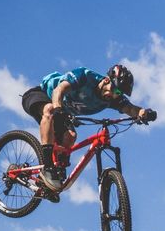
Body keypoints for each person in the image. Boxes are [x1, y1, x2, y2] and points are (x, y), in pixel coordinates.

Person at [20, 65, 157, 197]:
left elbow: (131, 109)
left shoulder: (111, 97)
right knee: (49, 109)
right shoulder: (85, 76)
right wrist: (57, 106)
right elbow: (59, 90)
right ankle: (47, 167)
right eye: (115, 90)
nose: (115, 95)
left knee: (70, 137)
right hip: (41, 95)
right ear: (107, 80)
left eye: (119, 93)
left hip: (62, 112)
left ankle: (52, 178)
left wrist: (143, 113)